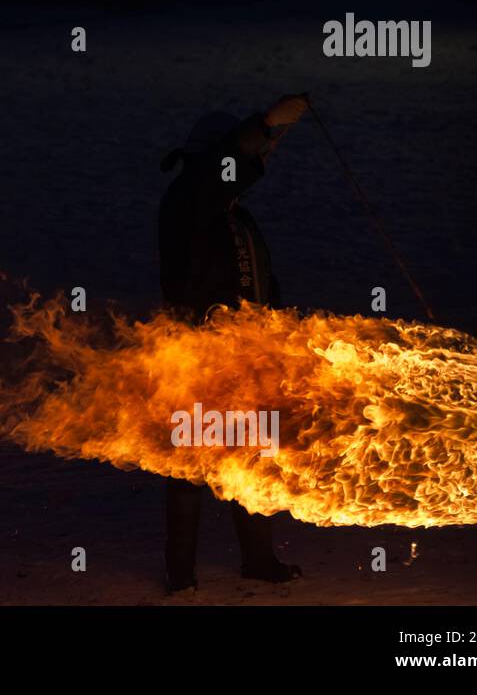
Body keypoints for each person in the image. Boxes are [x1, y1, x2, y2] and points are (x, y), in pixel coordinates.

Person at [156, 94, 309, 592]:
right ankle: (180, 576)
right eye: (244, 160)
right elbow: (220, 171)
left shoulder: (236, 218)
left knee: (252, 459)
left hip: (247, 364)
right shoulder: (186, 204)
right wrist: (264, 124)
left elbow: (262, 283)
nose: (256, 166)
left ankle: (258, 560)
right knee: (188, 469)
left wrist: (281, 336)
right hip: (196, 360)